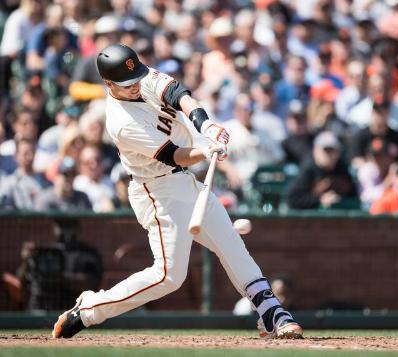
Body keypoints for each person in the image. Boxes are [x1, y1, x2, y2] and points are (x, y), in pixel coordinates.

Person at [52, 44, 302, 340]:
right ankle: (91, 308)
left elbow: (179, 95)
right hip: (157, 191)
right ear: (109, 85)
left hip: (186, 181)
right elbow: (174, 155)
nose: (136, 87)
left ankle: (271, 312)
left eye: (137, 80)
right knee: (168, 276)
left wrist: (206, 125)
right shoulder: (120, 122)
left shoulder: (141, 75)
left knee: (231, 244)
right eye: (127, 85)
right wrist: (204, 150)